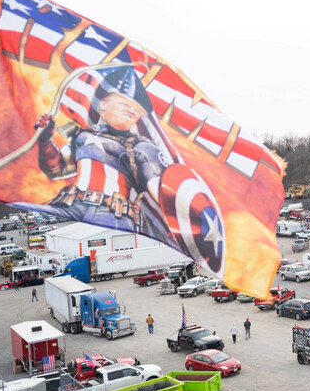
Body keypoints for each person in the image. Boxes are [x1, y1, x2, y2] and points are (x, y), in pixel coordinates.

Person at [30, 65, 225, 274]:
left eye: (136, 110)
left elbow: (160, 189)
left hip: (112, 214)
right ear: (102, 105)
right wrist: (45, 140)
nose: (132, 111)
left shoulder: (144, 149)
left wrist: (194, 211)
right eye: (124, 103)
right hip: (71, 206)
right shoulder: (82, 138)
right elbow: (56, 168)